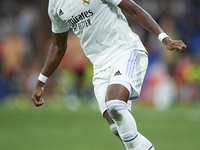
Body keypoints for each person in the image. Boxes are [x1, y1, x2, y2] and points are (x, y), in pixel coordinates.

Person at [31, 0, 187, 149]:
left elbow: (134, 10)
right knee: (117, 126)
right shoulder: (54, 5)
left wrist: (164, 38)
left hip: (125, 51)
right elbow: (58, 46)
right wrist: (41, 82)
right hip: (100, 66)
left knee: (115, 104)